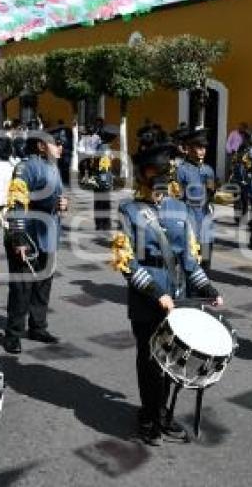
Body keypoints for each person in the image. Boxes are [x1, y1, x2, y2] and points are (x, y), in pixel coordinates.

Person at [111, 143, 223, 445]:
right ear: (143, 174)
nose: (159, 176)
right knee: (150, 361)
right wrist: (156, 293)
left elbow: (189, 258)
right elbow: (127, 262)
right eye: (153, 171)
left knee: (173, 359)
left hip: (178, 293)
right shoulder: (129, 210)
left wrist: (207, 287)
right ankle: (148, 416)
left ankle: (164, 413)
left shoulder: (180, 208)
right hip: (148, 297)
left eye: (163, 171)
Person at [3, 128, 68, 353]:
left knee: (43, 283)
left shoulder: (53, 167)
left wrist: (63, 204)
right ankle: (13, 333)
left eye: (62, 143)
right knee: (22, 285)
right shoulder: (25, 167)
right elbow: (16, 202)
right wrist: (19, 238)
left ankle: (38, 326)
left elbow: (56, 196)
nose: (61, 147)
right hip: (28, 232)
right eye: (56, 143)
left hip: (47, 233)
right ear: (41, 146)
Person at [176, 128, 216, 270]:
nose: (202, 151)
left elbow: (211, 192)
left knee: (206, 259)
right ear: (189, 149)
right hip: (190, 219)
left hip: (205, 218)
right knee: (191, 260)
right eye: (199, 147)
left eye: (204, 148)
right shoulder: (181, 170)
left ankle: (204, 288)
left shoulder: (208, 170)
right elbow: (178, 198)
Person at [92, 127, 117, 231]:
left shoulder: (100, 146)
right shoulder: (105, 148)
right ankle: (104, 224)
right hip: (103, 180)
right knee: (104, 203)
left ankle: (99, 224)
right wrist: (106, 182)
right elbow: (104, 167)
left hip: (98, 179)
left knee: (98, 202)